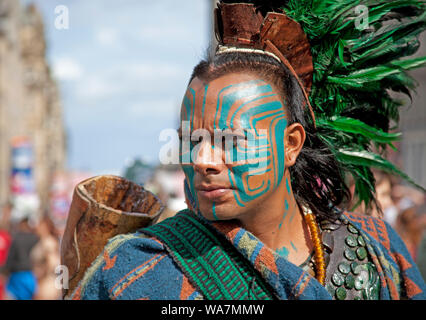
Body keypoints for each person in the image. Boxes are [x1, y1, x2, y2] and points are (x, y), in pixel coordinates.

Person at [69, 0, 426, 300]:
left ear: (291, 144)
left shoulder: (374, 248)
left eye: (233, 140)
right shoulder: (139, 270)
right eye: (191, 140)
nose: (203, 160)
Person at [3, 216, 39, 300]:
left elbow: (10, 258)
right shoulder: (36, 238)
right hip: (31, 276)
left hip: (17, 276)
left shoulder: (16, 238)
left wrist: (4, 271)